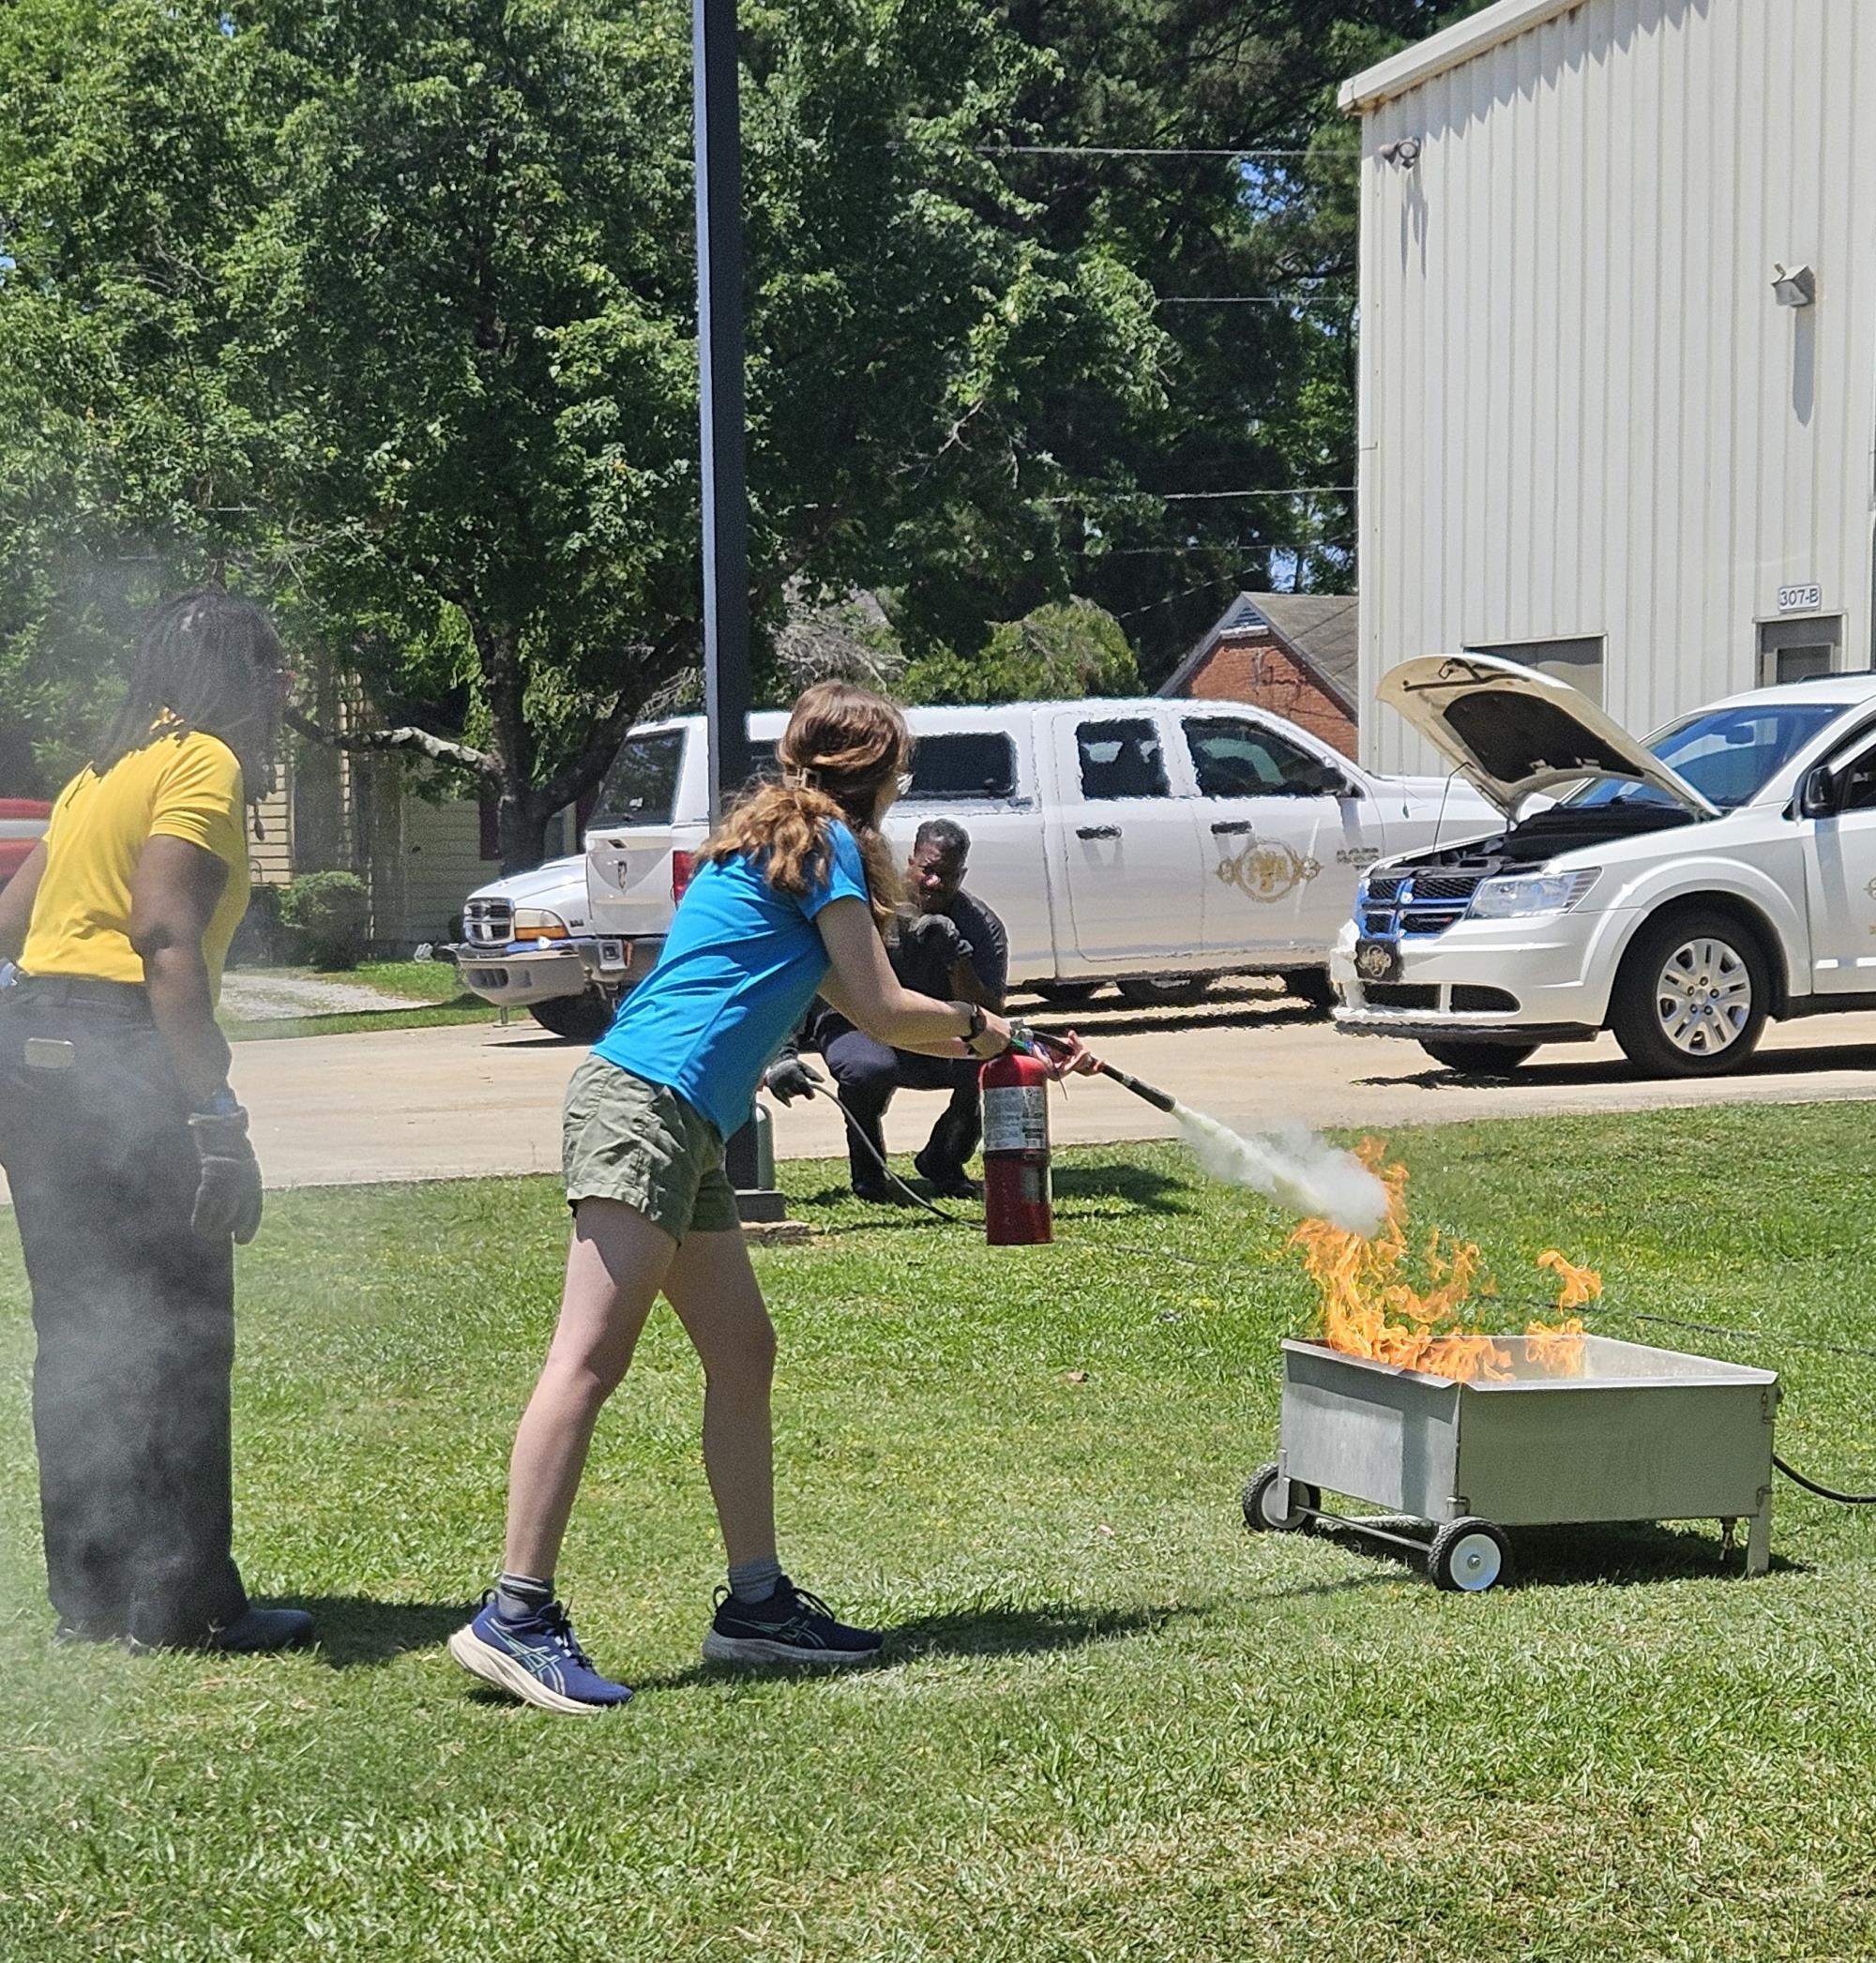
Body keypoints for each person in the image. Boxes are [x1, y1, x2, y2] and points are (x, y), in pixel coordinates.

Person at [447, 682, 1090, 1714]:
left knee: (743, 1349)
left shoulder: (779, 840)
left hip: (686, 1116)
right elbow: (881, 1006)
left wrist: (1003, 1033)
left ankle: (754, 1605)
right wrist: (998, 1034)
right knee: (588, 1357)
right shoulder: (826, 841)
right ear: (878, 773)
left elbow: (854, 999)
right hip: (644, 1104)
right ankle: (516, 1613)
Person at [0, 589, 309, 1653]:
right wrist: (215, 1114)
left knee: (81, 1332)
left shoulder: (101, 773)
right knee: (181, 1331)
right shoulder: (203, 764)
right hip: (121, 1052)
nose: (285, 683)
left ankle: (90, 1598)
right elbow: (165, 936)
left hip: (33, 1055)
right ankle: (183, 1604)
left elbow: (12, 921)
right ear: (229, 673)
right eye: (270, 663)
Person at [767, 818, 1007, 1200]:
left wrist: (956, 958)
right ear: (911, 860)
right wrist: (783, 1051)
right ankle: (869, 1175)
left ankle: (943, 1161)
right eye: (927, 870)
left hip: (933, 1032)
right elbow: (809, 974)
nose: (933, 883)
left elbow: (993, 1016)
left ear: (961, 874)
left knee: (985, 1061)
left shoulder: (982, 925)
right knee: (866, 1070)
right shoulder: (869, 906)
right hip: (856, 1024)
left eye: (946, 875)